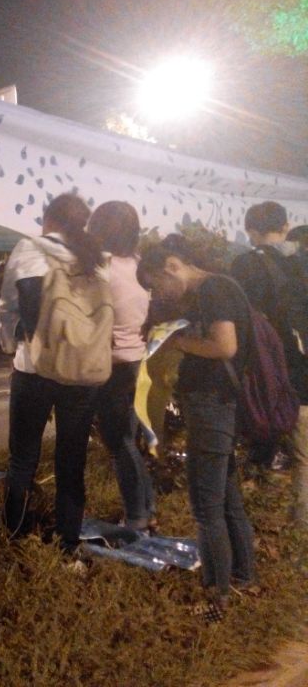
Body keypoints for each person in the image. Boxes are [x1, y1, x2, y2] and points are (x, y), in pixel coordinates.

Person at [138, 235, 256, 618]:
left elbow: (225, 346)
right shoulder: (217, 287)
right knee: (227, 499)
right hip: (216, 405)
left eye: (156, 284)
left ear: (172, 266)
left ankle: (217, 596)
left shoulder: (213, 289)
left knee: (206, 505)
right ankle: (243, 579)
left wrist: (179, 342)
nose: (158, 293)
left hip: (211, 405)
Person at [0, 193, 108, 556]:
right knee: (72, 460)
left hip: (35, 369)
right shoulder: (95, 258)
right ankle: (68, 543)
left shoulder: (30, 249)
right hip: (81, 371)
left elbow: (9, 308)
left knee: (22, 459)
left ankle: (16, 538)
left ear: (49, 218)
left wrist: (12, 345)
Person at [231, 202, 308, 521]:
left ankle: (251, 518)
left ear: (250, 231)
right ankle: (301, 525)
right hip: (303, 369)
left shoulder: (244, 265)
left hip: (264, 370)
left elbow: (238, 320)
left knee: (259, 440)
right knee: (304, 455)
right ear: (286, 226)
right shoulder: (303, 261)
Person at [87, 201, 155, 531]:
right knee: (131, 439)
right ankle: (147, 509)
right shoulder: (140, 265)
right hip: (140, 360)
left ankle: (137, 516)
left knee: (120, 443)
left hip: (113, 364)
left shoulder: (101, 266)